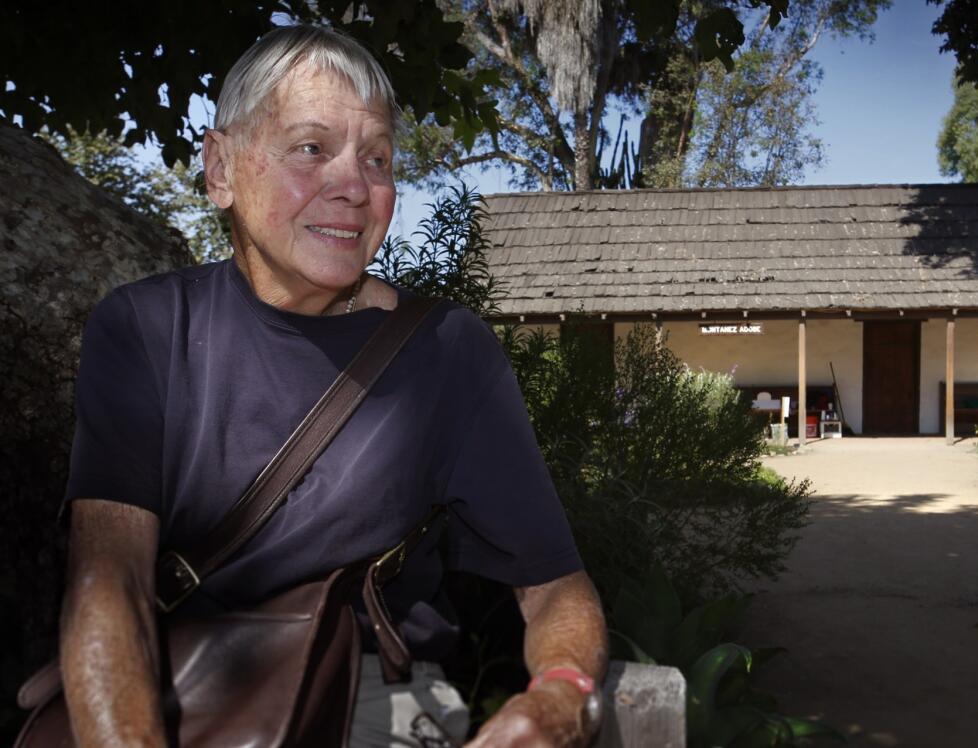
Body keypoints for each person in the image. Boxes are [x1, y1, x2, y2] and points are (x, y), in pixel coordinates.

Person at [58, 25, 607, 748]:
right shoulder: (145, 329)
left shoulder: (446, 352)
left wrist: (561, 697)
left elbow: (555, 590)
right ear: (220, 169)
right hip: (178, 694)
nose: (354, 186)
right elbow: (109, 586)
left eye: (376, 158)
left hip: (371, 704)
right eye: (312, 148)